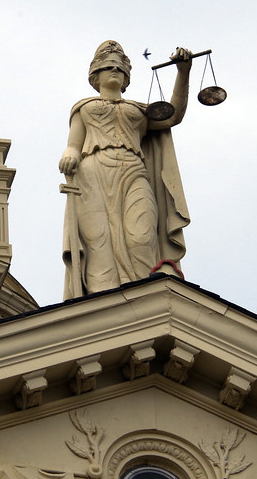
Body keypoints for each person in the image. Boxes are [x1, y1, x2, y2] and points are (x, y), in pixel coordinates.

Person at [60, 40, 191, 298]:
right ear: (95, 76)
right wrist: (70, 153)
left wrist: (183, 73)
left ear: (127, 76)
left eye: (119, 69)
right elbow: (74, 145)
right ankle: (102, 304)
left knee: (141, 237)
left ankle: (144, 298)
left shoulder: (138, 111)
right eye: (108, 67)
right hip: (92, 173)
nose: (114, 71)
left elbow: (173, 116)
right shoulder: (84, 107)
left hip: (133, 170)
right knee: (99, 242)